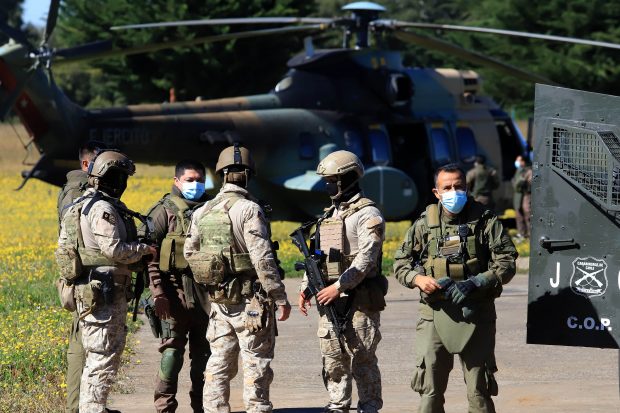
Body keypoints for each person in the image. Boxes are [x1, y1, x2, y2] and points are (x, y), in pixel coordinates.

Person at [393, 163, 517, 413]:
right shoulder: (424, 223)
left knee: (479, 391)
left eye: (458, 186)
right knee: (429, 391)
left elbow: (507, 262)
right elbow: (401, 263)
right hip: (434, 313)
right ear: (436, 192)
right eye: (446, 187)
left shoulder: (485, 220)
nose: (453, 191)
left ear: (467, 187)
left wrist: (476, 282)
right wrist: (419, 280)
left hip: (476, 312)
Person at [184, 144, 291, 413]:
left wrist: (213, 274)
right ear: (249, 175)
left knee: (218, 363)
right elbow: (263, 259)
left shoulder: (203, 211)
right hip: (251, 303)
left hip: (219, 302)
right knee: (256, 363)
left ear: (221, 174)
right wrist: (279, 297)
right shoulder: (249, 210)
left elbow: (189, 252)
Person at [57, 150, 156, 413]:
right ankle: (93, 408)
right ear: (111, 177)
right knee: (102, 360)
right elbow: (115, 250)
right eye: (121, 177)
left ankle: (94, 407)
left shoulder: (80, 205)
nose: (123, 183)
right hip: (103, 295)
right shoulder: (101, 208)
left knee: (98, 359)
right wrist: (145, 249)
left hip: (94, 292)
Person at [298, 150, 386, 413]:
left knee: (363, 361)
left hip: (359, 301)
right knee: (333, 361)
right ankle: (338, 407)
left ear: (347, 179)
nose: (327, 186)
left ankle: (369, 408)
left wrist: (338, 287)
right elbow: (316, 258)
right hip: (329, 300)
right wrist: (306, 288)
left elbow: (366, 259)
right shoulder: (328, 216)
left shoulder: (368, 214)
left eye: (331, 180)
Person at [143, 160, 212, 412]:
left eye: (200, 179)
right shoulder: (163, 211)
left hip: (207, 295)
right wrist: (158, 293)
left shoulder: (212, 208)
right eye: (190, 180)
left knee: (205, 357)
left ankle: (202, 406)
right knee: (171, 354)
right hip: (173, 294)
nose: (196, 185)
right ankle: (165, 406)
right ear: (177, 181)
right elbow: (148, 255)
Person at [56, 141, 100, 413]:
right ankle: (76, 406)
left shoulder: (82, 189)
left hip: (86, 274)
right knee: (81, 341)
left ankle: (88, 403)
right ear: (86, 164)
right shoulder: (77, 192)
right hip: (81, 275)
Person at [512, 155, 532, 239]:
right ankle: (522, 234)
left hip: (527, 195)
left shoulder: (529, 171)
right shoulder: (519, 170)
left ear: (523, 162)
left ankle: (531, 235)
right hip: (519, 195)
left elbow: (531, 183)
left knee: (528, 215)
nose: (517, 162)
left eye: (519, 160)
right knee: (519, 215)